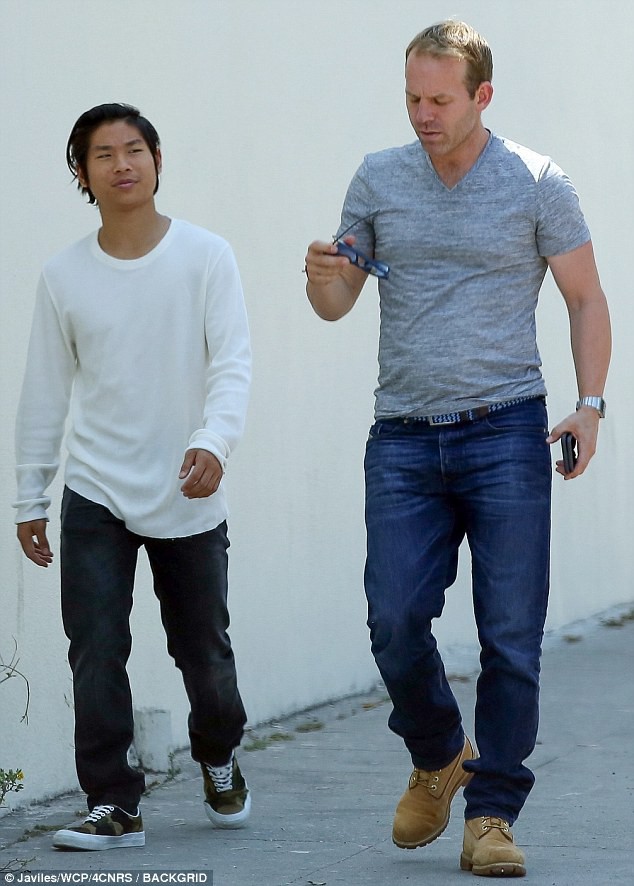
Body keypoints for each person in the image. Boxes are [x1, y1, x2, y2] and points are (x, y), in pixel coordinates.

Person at [304, 20, 610, 878]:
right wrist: (325, 278)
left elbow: (586, 298)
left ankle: (491, 816)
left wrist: (589, 406)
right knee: (393, 619)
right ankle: (440, 753)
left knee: (511, 636)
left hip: (507, 429)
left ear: (482, 95)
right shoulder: (378, 177)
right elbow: (338, 300)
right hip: (403, 439)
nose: (423, 114)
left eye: (439, 99)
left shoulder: (537, 181)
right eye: (412, 97)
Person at [14, 103, 252, 851]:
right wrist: (29, 495)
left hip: (188, 488)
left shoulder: (206, 256)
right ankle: (113, 802)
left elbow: (233, 364)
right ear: (81, 173)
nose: (122, 164)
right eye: (103, 154)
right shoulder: (64, 275)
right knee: (94, 647)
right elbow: (44, 391)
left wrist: (214, 443)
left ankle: (218, 752)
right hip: (95, 489)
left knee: (204, 656)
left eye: (134, 150)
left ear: (156, 160)